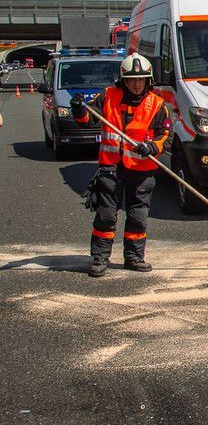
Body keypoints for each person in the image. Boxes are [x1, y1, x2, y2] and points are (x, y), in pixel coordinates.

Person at [71, 53, 172, 277]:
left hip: (141, 171)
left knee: (138, 216)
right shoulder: (107, 96)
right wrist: (78, 109)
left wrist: (152, 147)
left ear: (148, 80)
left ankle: (134, 257)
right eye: (132, 80)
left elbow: (166, 137)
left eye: (141, 79)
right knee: (106, 215)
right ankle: (100, 258)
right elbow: (87, 120)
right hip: (111, 169)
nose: (137, 84)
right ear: (123, 80)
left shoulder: (157, 105)